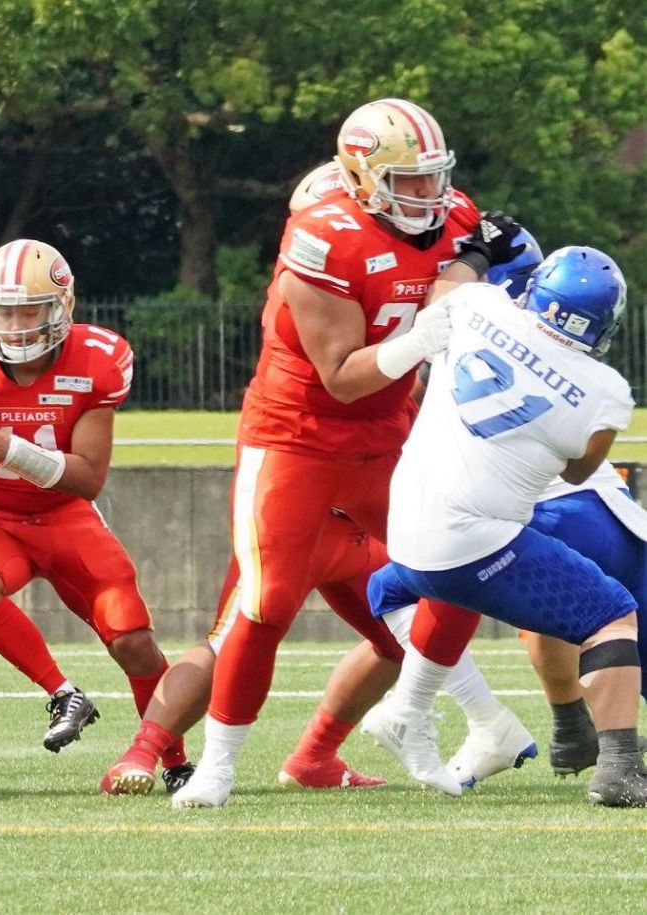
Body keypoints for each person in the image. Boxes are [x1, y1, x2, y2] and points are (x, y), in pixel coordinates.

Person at [172, 97, 527, 808]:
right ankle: (217, 764)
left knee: (452, 570)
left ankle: (435, 718)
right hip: (296, 435)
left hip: (387, 434)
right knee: (267, 601)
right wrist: (433, 331)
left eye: (435, 177)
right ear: (362, 177)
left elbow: (459, 286)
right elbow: (342, 373)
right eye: (409, 180)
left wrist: (480, 261)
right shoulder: (321, 237)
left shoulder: (455, 214)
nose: (429, 195)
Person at [0, 238, 189, 778]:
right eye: (3, 310)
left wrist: (14, 450)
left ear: (62, 307)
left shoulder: (96, 359)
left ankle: (173, 762)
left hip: (65, 516)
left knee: (133, 640)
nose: (15, 323)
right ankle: (64, 693)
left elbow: (89, 478)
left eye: (28, 308)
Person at [360, 246, 647, 807]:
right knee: (611, 616)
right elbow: (581, 469)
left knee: (383, 590)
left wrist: (474, 250)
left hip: (409, 533)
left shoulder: (476, 304)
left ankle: (429, 710)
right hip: (478, 538)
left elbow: (443, 294)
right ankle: (620, 768)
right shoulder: (605, 390)